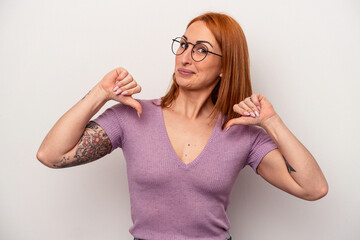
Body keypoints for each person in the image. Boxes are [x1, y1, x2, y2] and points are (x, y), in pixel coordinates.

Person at [37, 12, 328, 240]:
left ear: (226, 67)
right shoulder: (131, 117)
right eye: (184, 44)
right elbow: (50, 155)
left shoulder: (243, 135)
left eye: (201, 50)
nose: (186, 56)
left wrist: (271, 122)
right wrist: (100, 93)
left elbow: (313, 188)